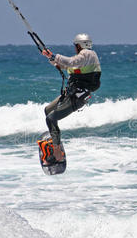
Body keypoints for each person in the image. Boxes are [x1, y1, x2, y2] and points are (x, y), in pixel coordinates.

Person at [40, 33, 101, 164]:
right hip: (70, 94)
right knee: (47, 110)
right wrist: (51, 59)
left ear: (80, 45)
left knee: (51, 118)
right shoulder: (83, 59)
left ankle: (57, 154)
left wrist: (54, 56)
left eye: (76, 46)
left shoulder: (88, 54)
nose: (75, 48)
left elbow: (71, 62)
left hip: (78, 97)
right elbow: (66, 66)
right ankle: (54, 140)